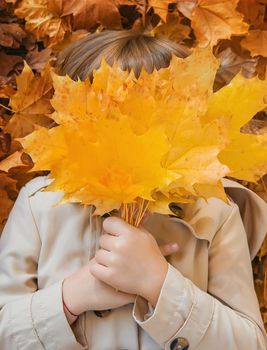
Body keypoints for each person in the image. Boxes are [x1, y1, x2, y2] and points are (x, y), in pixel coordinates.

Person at [0, 30, 267, 350]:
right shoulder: (39, 204)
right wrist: (71, 297)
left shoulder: (213, 211)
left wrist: (160, 285)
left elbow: (249, 343)